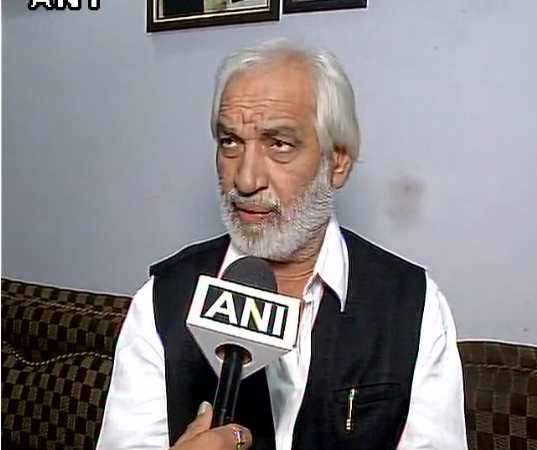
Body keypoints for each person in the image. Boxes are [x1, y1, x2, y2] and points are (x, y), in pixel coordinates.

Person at [96, 38, 468, 450]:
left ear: (337, 162)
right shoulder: (162, 299)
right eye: (230, 142)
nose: (245, 180)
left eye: (279, 144)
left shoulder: (413, 303)